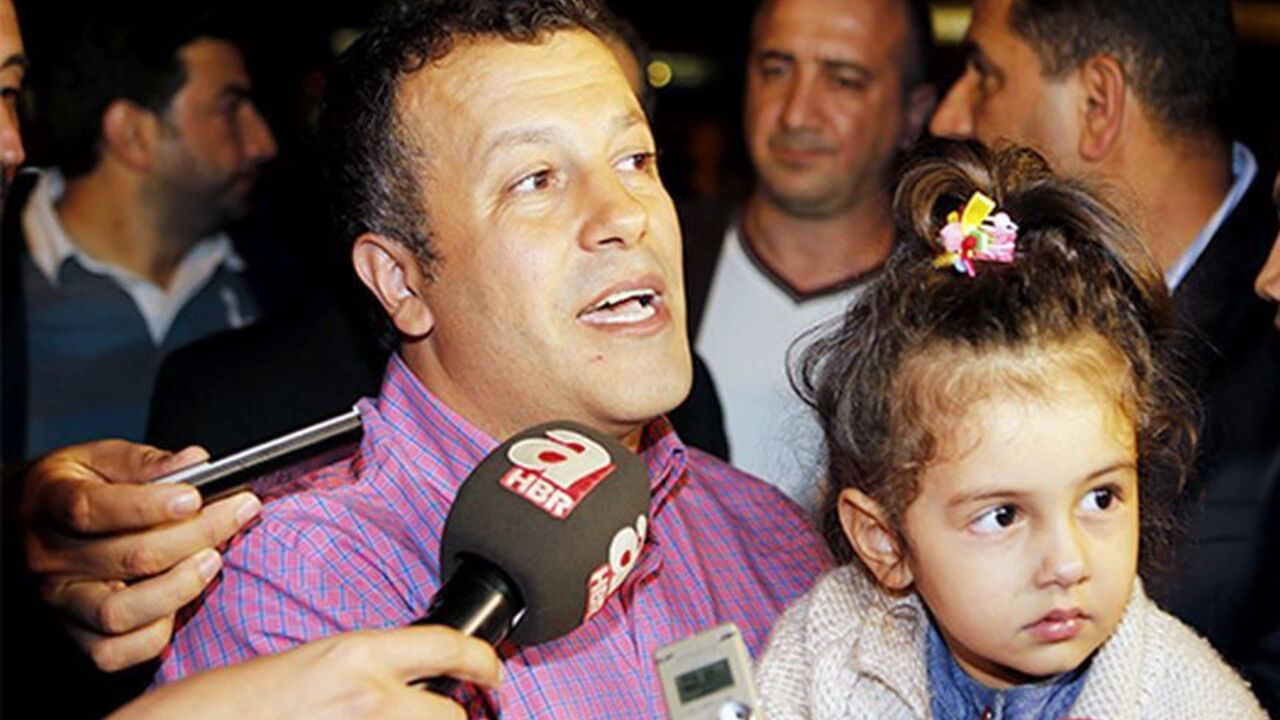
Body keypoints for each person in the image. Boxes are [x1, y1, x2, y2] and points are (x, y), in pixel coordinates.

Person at [154, 2, 830, 718]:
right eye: (535, 179)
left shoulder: (772, 541)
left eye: (635, 159)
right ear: (402, 282)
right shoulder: (297, 586)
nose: (626, 214)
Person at [755, 139, 1266, 718]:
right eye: (1003, 515)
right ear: (884, 540)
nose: (1069, 564)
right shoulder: (818, 666)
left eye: (1102, 497)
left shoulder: (1194, 705)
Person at [928, 0, 1280, 709]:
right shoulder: (977, 316)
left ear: (1097, 102)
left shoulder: (1267, 327)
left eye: (987, 74)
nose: (949, 117)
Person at [680, 0, 936, 511]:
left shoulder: (945, 300)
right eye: (776, 70)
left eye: (842, 80)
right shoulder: (652, 257)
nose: (797, 113)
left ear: (914, 113)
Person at [0, 4, 277, 463]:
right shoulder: (15, 279)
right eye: (230, 109)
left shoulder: (281, 276)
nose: (263, 142)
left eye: (9, 93)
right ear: (133, 135)